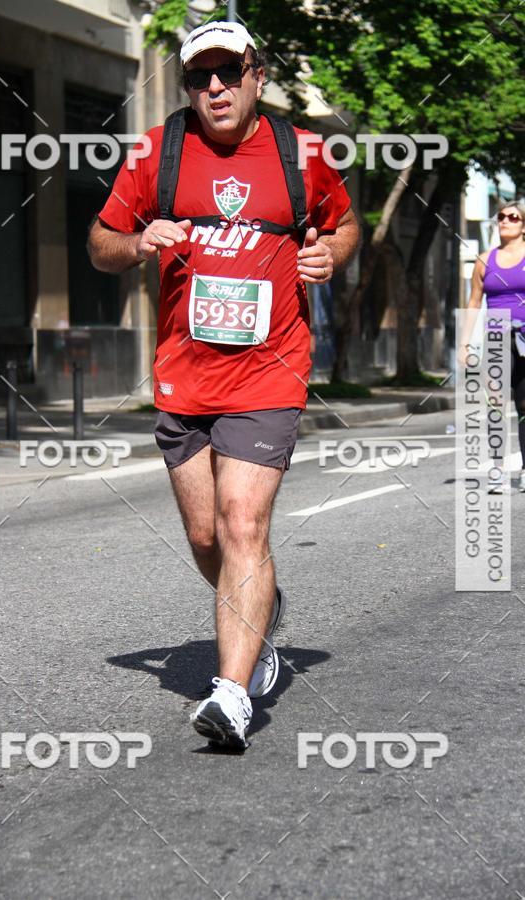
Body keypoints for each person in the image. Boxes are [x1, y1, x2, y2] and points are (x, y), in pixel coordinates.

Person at [87, 21, 359, 751]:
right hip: (184, 375)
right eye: (198, 76)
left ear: (256, 76)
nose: (214, 87)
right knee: (207, 536)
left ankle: (232, 695)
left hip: (270, 371)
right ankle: (260, 613)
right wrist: (137, 242)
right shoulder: (157, 152)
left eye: (228, 73)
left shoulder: (304, 153)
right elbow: (100, 243)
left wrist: (329, 255)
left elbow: (343, 225)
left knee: (243, 525)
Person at [463, 200, 525, 493]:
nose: (505, 221)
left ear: (523, 226)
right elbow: (474, 302)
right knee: (496, 403)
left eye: (513, 217)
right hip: (496, 336)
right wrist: (465, 343)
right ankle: (498, 470)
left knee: (523, 404)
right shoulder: (485, 260)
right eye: (501, 216)